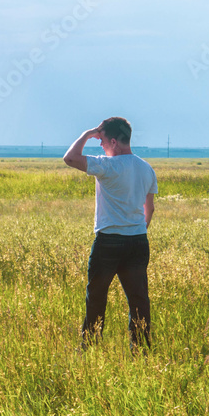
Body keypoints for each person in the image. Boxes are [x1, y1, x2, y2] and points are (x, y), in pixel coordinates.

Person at [63, 117, 157, 353]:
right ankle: (142, 349)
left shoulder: (107, 165)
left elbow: (70, 158)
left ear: (113, 142)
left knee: (96, 296)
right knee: (138, 299)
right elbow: (150, 208)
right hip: (138, 240)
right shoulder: (147, 168)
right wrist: (137, 231)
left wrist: (86, 134)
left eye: (102, 140)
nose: (100, 145)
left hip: (108, 242)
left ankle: (90, 348)